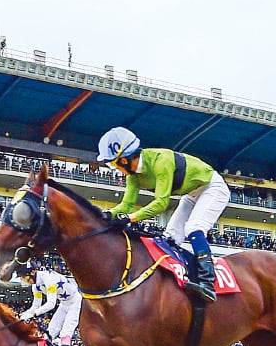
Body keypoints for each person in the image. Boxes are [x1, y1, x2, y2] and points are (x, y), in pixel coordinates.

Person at [97, 126, 231, 302]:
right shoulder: (133, 176)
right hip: (191, 194)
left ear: (124, 159)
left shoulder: (161, 161)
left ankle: (207, 283)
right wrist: (107, 214)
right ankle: (181, 279)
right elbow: (127, 205)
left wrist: (130, 218)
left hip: (212, 188)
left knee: (194, 228)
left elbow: (161, 203)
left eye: (112, 163)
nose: (114, 168)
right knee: (170, 237)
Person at [16, 262, 82, 346]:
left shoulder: (48, 279)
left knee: (66, 332)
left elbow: (51, 303)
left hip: (75, 301)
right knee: (50, 331)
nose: (24, 280)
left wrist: (34, 314)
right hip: (64, 303)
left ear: (32, 272)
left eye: (24, 276)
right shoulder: (35, 286)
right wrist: (23, 315)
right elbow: (35, 305)